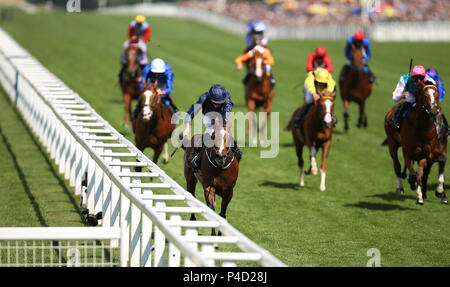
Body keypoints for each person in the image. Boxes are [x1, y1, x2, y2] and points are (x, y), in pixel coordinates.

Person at [183, 84, 243, 171]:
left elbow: (226, 115)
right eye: (214, 102)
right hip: (207, 116)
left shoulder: (227, 100)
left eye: (219, 103)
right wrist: (187, 126)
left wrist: (222, 125)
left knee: (224, 134)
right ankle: (195, 154)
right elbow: (192, 111)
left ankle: (237, 151)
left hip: (221, 116)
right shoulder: (203, 98)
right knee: (210, 132)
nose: (216, 105)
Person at [389, 65, 436, 130]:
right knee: (409, 99)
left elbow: (433, 95)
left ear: (424, 77)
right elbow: (394, 98)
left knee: (435, 108)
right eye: (416, 79)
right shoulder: (404, 79)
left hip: (424, 100)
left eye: (421, 79)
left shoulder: (430, 81)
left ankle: (444, 127)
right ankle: (396, 121)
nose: (419, 81)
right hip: (411, 97)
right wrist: (401, 96)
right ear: (412, 77)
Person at [426, 67, 449, 134]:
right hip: (426, 101)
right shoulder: (425, 80)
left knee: (439, 113)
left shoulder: (439, 82)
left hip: (435, 102)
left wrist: (435, 102)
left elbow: (441, 92)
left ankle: (447, 128)